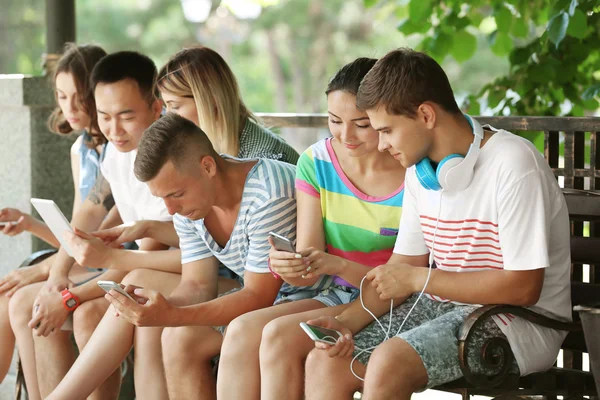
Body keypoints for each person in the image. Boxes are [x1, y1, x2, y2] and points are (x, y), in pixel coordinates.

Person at [303, 48, 571, 400]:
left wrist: (419, 279)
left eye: (386, 131)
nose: (381, 145)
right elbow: (404, 267)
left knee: (388, 362)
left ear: (426, 114)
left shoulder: (513, 164)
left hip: (520, 322)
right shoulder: (422, 174)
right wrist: (345, 323)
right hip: (446, 307)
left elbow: (523, 287)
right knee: (327, 360)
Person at [46, 113, 326, 400]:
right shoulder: (190, 200)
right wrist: (155, 309)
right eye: (162, 198)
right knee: (173, 333)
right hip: (263, 295)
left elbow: (258, 297)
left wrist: (172, 313)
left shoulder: (269, 192)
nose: (170, 209)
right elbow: (198, 286)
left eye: (175, 194)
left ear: (207, 166)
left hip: (314, 297)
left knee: (177, 328)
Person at [216, 57, 406, 400]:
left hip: (390, 299)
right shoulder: (316, 162)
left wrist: (334, 266)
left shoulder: (411, 169)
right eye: (334, 121)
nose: (345, 135)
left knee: (277, 336)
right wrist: (291, 265)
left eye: (361, 124)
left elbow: (403, 279)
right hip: (338, 290)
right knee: (242, 329)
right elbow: (310, 265)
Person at [8, 51, 175, 400]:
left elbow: (139, 265)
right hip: (127, 269)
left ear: (157, 108)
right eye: (105, 116)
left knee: (84, 316)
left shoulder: (167, 164)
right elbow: (88, 212)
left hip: (162, 274)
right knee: (35, 301)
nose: (113, 129)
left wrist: (68, 296)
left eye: (126, 116)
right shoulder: (115, 151)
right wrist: (56, 280)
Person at [0, 43, 109, 385]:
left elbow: (100, 240)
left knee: (21, 299)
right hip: (90, 259)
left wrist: (46, 270)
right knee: (10, 294)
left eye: (79, 96)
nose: (70, 107)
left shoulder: (122, 149)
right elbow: (78, 233)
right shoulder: (81, 150)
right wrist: (30, 223)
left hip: (122, 261)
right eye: (62, 97)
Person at [157, 45, 299, 164]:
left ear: (211, 100)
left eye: (175, 106)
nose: (167, 115)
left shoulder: (265, 159)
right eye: (166, 106)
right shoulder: (202, 147)